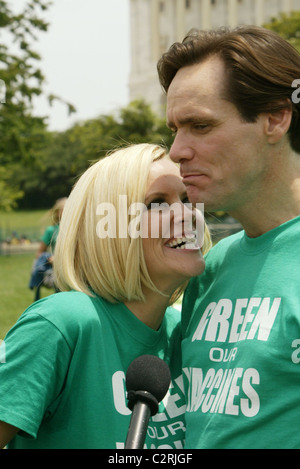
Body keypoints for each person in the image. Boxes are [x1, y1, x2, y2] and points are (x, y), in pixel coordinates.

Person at [0, 143, 210, 449]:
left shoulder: (189, 332)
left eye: (187, 199)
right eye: (155, 203)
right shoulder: (62, 324)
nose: (187, 214)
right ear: (111, 230)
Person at [157, 25, 300, 449]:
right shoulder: (212, 265)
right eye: (174, 129)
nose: (176, 151)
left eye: (200, 126)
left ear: (275, 118)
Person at [29, 198, 67, 300]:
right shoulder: (52, 230)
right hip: (59, 272)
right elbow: (39, 253)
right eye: (64, 209)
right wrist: (50, 258)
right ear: (58, 212)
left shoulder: (78, 229)